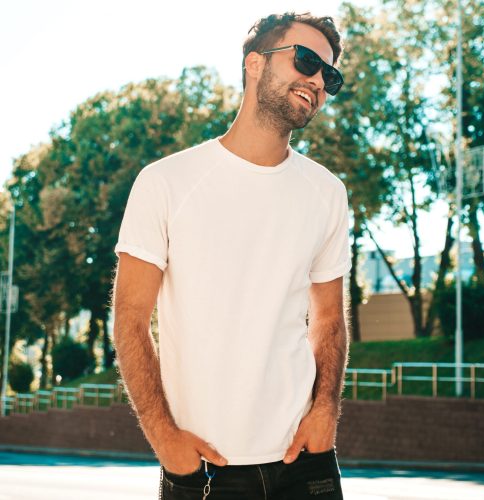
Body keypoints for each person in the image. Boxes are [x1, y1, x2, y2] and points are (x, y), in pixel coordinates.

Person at [112, 11, 351, 500]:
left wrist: (325, 411)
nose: (317, 82)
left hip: (304, 467)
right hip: (204, 473)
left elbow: (328, 320)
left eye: (330, 76)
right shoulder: (165, 182)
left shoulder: (327, 192)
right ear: (254, 65)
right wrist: (167, 443)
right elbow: (131, 320)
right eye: (305, 61)